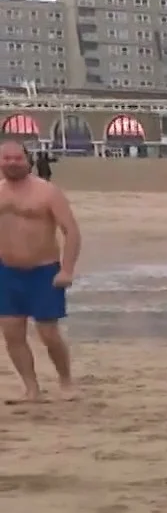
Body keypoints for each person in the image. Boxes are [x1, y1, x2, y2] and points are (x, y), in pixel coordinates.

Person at [0, 139, 81, 403]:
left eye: (17, 158)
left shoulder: (47, 192)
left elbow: (71, 231)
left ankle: (66, 381)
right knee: (12, 333)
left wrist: (67, 269)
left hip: (44, 271)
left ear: (28, 160)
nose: (12, 163)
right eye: (6, 158)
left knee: (48, 333)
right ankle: (31, 388)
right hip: (7, 272)